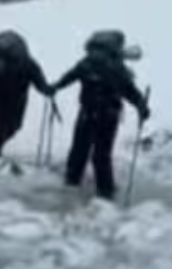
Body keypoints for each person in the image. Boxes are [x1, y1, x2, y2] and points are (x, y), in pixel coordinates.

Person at [50, 30, 150, 201]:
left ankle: (71, 182)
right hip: (108, 116)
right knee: (101, 155)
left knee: (78, 150)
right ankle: (105, 192)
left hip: (86, 112)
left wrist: (54, 87)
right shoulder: (116, 67)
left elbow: (69, 77)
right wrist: (142, 108)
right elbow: (130, 91)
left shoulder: (86, 63)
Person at [0, 30, 55, 157]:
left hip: (16, 95)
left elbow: (36, 77)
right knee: (3, 123)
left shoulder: (24, 64)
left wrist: (46, 89)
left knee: (13, 126)